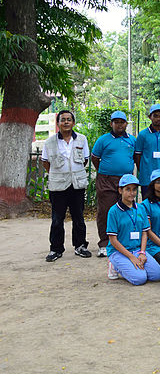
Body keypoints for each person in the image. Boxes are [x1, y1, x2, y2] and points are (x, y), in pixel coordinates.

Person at [43, 110, 91, 262]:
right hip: (58, 186)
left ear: (73, 123)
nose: (66, 122)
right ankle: (56, 249)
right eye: (62, 120)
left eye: (69, 119)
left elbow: (85, 160)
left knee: (79, 217)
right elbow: (46, 162)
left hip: (77, 185)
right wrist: (60, 174)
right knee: (57, 218)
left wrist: (73, 173)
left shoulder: (82, 140)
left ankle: (80, 246)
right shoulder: (49, 142)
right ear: (58, 123)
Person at [91, 110, 136, 257]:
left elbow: (135, 158)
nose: (119, 124)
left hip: (126, 181)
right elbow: (95, 158)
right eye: (116, 122)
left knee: (126, 210)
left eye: (122, 122)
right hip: (107, 180)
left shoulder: (132, 140)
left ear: (126, 124)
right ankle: (104, 243)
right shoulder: (103, 140)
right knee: (106, 210)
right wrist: (104, 171)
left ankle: (123, 242)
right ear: (111, 124)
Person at [105, 174, 160, 285]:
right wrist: (131, 257)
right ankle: (114, 264)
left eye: (134, 189)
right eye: (127, 189)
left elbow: (144, 233)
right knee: (139, 279)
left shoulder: (140, 208)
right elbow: (113, 240)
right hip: (119, 252)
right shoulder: (113, 211)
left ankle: (133, 267)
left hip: (137, 249)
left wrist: (142, 253)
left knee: (157, 275)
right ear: (120, 190)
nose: (131, 193)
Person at [134, 104, 160, 197]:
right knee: (147, 203)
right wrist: (143, 169)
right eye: (155, 116)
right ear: (150, 117)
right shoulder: (143, 135)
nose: (158, 119)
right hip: (147, 176)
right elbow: (137, 155)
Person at [140, 170, 160, 275]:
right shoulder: (146, 204)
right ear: (152, 184)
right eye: (158, 181)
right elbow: (148, 231)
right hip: (156, 245)